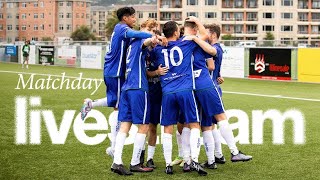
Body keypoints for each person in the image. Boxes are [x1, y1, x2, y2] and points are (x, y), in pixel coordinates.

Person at [80, 7, 153, 159]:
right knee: (118, 109)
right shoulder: (122, 28)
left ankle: (91, 104)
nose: (135, 20)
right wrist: (151, 35)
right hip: (116, 72)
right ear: (125, 18)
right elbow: (135, 34)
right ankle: (114, 148)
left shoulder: (118, 29)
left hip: (111, 71)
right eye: (133, 17)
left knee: (115, 101)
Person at [152, 20, 216, 176]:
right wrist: (196, 22)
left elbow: (149, 45)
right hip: (185, 90)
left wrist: (160, 38)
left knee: (167, 127)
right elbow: (205, 36)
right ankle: (193, 159)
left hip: (167, 91)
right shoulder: (186, 43)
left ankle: (168, 164)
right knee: (194, 124)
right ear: (175, 33)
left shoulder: (158, 49)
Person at [188, 24, 253, 166]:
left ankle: (216, 157)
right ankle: (228, 154)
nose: (203, 35)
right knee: (213, 122)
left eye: (206, 33)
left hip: (203, 86)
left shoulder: (213, 48)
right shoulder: (207, 47)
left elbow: (212, 66)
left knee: (210, 125)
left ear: (212, 35)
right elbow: (212, 67)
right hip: (209, 86)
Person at [111, 19, 164, 175]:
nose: (152, 31)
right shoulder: (140, 39)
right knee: (143, 126)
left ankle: (117, 162)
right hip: (138, 88)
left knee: (124, 126)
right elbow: (148, 40)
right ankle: (135, 162)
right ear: (142, 28)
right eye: (150, 28)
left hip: (127, 88)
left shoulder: (130, 43)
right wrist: (157, 38)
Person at [145, 30, 169, 169]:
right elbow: (146, 72)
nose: (155, 41)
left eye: (156, 38)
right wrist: (157, 73)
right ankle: (149, 158)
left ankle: (184, 158)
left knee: (171, 126)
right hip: (152, 93)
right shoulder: (146, 52)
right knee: (151, 127)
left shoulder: (166, 49)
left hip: (167, 93)